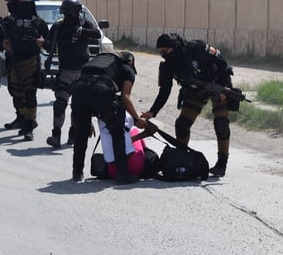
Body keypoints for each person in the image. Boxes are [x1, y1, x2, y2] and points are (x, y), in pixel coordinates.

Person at [142, 33, 234, 177]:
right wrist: (152, 112)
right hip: (195, 91)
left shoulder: (196, 48)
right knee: (182, 125)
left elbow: (221, 61)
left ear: (174, 47)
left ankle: (222, 163)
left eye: (164, 51)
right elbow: (164, 91)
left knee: (221, 124)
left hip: (218, 84)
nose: (162, 55)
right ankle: (182, 158)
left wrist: (224, 87)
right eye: (159, 52)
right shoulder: (167, 66)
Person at [70, 51, 147, 184]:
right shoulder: (128, 69)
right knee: (117, 131)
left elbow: (83, 88)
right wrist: (136, 119)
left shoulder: (95, 62)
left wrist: (86, 121)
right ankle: (123, 175)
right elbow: (125, 96)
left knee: (81, 133)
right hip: (100, 91)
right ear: (131, 62)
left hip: (78, 91)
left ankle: (77, 172)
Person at [44, 0, 101, 148]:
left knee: (78, 105)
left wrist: (83, 32)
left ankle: (73, 134)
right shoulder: (58, 27)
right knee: (60, 103)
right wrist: (45, 44)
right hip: (65, 70)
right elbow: (47, 44)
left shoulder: (84, 24)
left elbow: (97, 33)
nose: (71, 15)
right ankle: (56, 135)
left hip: (82, 71)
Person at [0, 0, 49, 140]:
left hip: (32, 62)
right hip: (14, 62)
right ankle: (27, 120)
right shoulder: (8, 22)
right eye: (22, 4)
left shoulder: (38, 22)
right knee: (16, 95)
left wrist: (43, 41)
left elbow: (50, 42)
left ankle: (29, 127)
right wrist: (3, 44)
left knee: (30, 94)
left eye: (27, 4)